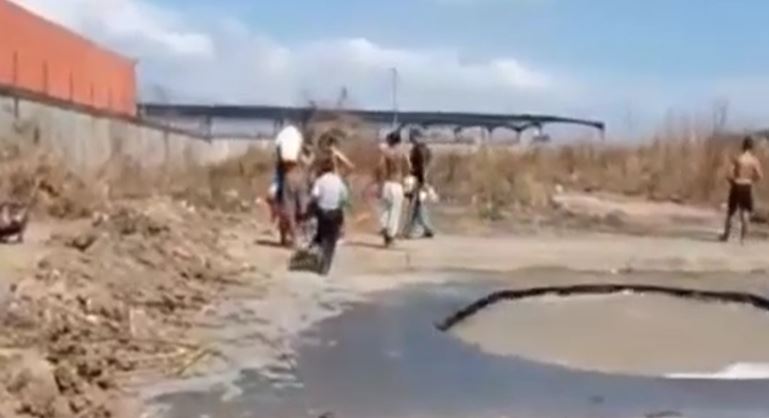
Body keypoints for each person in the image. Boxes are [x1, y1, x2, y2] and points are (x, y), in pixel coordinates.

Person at [720, 136, 763, 243]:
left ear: (743, 146)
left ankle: (726, 236)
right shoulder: (754, 160)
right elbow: (759, 176)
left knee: (731, 212)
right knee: (746, 212)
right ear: (752, 147)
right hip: (746, 186)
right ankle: (743, 238)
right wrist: (751, 180)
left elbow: (728, 173)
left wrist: (731, 181)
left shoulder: (738, 158)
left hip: (736, 184)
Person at [310, 157, 349, 275]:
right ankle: (327, 264)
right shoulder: (338, 180)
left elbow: (314, 196)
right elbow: (344, 197)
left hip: (322, 213)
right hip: (335, 213)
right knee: (332, 240)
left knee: (321, 235)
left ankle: (318, 248)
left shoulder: (320, 180)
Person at [274, 124, 310, 248]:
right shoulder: (299, 152)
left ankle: (293, 237)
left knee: (288, 210)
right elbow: (307, 163)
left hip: (287, 179)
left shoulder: (281, 156)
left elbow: (279, 168)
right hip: (300, 179)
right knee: (302, 209)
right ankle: (300, 235)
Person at [376, 131, 411, 247]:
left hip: (386, 183)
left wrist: (379, 183)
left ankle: (384, 228)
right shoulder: (402, 153)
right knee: (395, 211)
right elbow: (408, 167)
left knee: (385, 208)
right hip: (397, 183)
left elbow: (380, 168)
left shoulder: (385, 153)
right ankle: (390, 236)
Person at [403, 129, 435, 239]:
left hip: (419, 180)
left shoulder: (417, 150)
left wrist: (422, 181)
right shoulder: (427, 149)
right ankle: (425, 228)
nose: (410, 139)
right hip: (424, 179)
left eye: (411, 137)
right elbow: (428, 165)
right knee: (419, 204)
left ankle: (417, 229)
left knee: (417, 204)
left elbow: (421, 167)